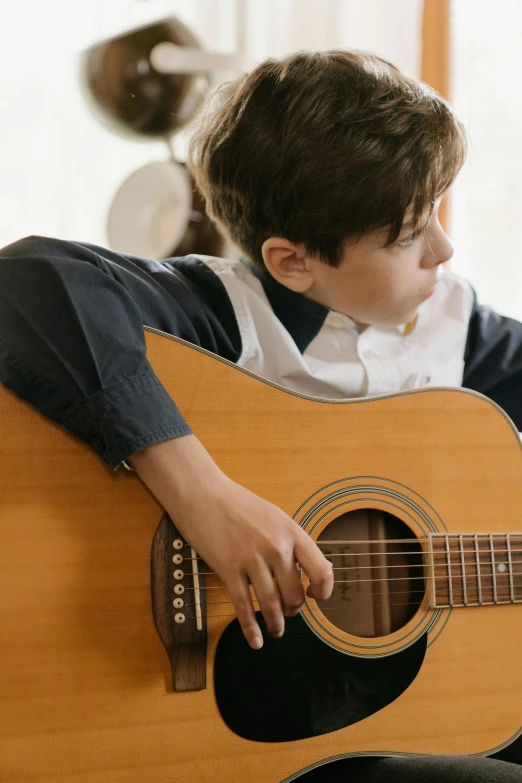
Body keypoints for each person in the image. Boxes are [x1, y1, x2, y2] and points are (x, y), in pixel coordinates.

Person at [1, 50, 522, 782]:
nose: (445, 246)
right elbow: (26, 284)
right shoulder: (225, 316)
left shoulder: (457, 323)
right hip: (256, 728)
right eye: (408, 235)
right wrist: (204, 498)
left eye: (437, 210)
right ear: (291, 262)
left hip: (374, 703)